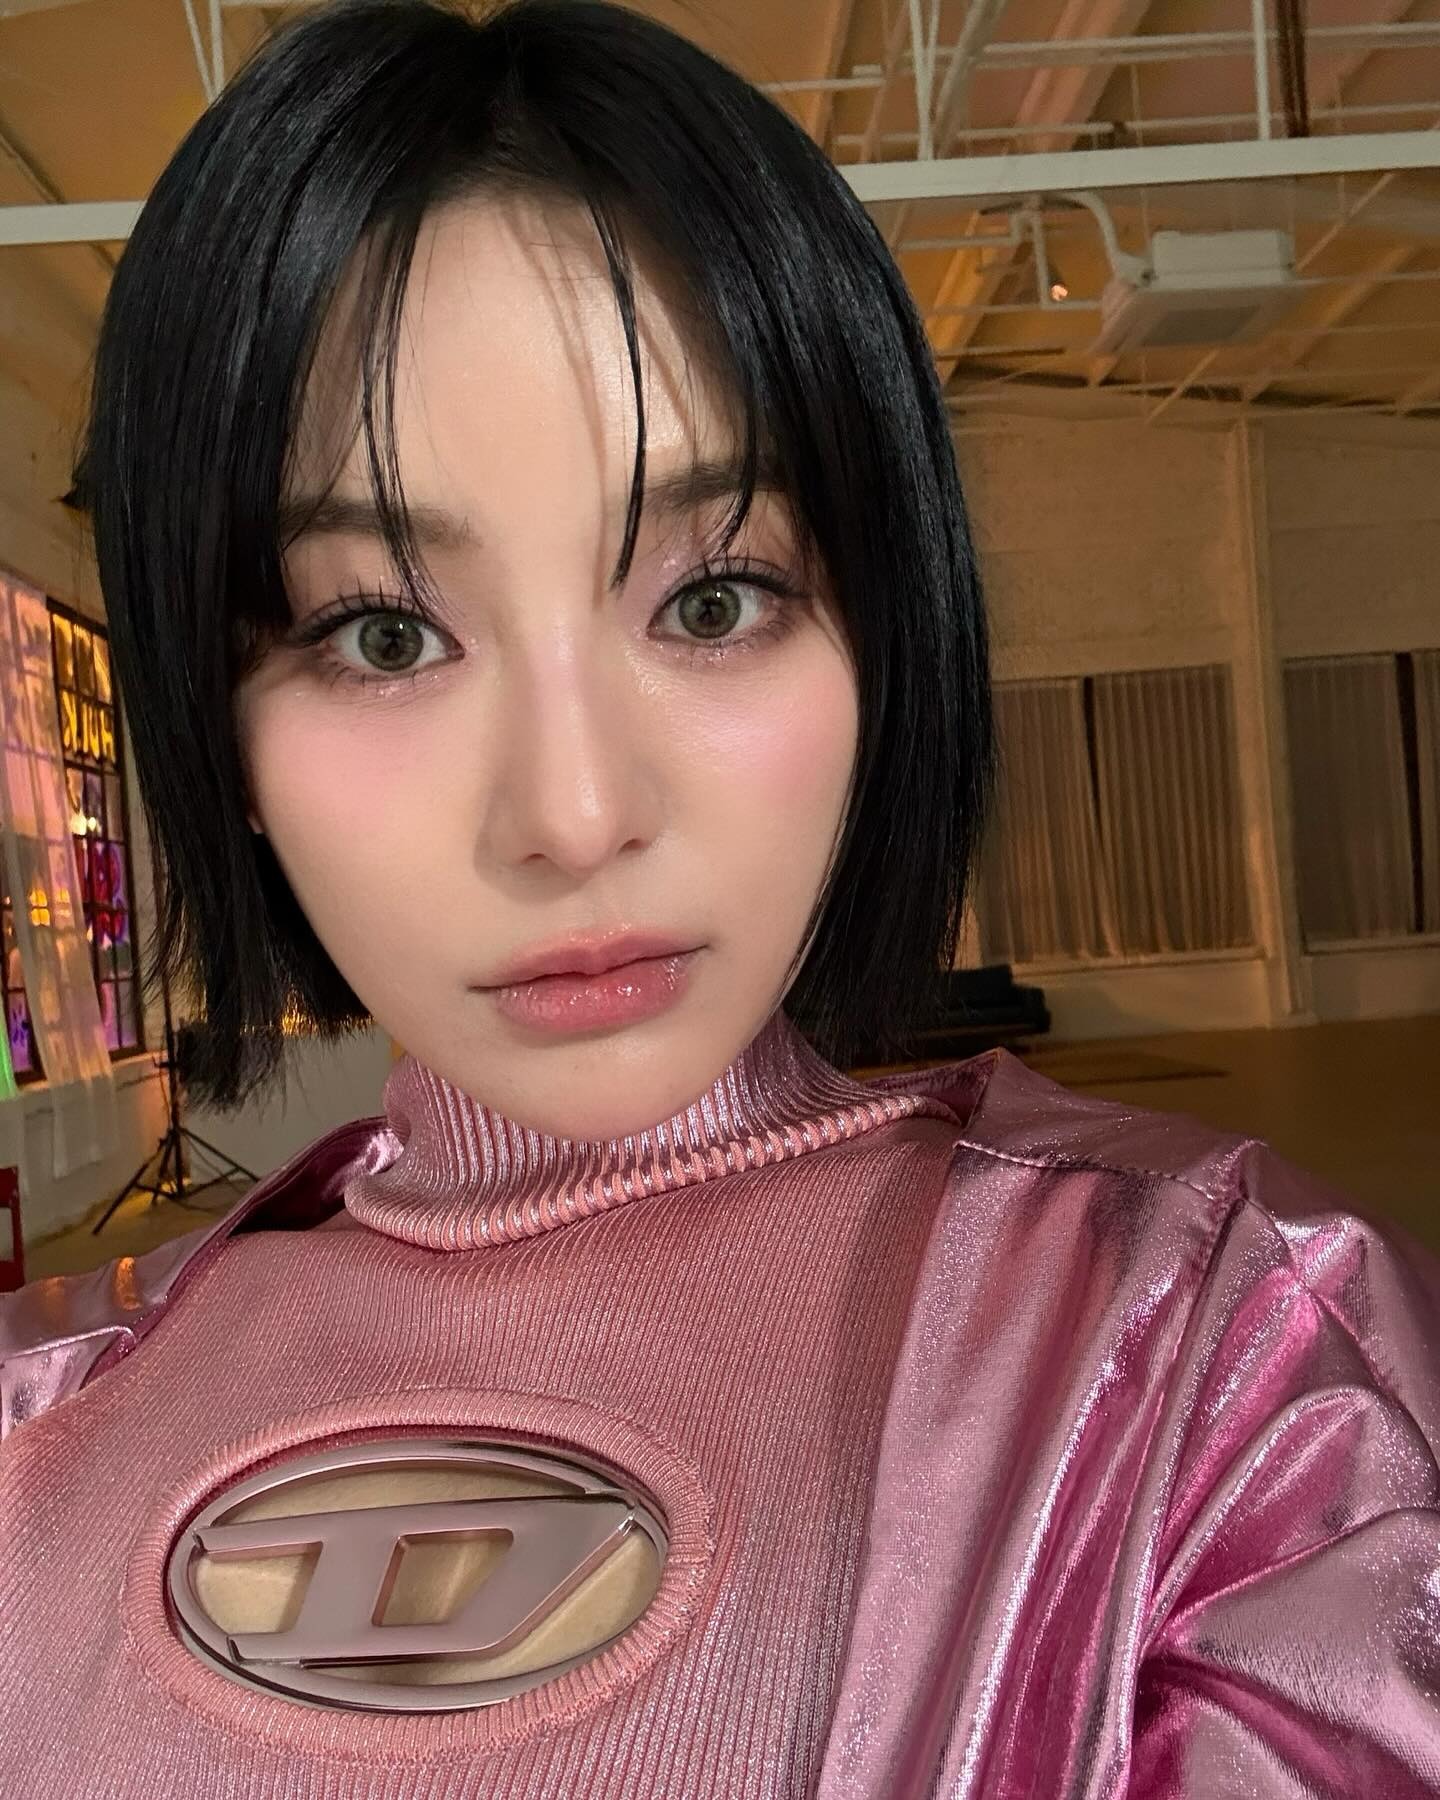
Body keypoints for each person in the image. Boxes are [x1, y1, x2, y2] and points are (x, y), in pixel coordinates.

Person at [1, 2, 1437, 1793]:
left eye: (712, 600)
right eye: (381, 634)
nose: (576, 814)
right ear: (215, 719)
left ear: (885, 631)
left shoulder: (1228, 1365)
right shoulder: (45, 1418)